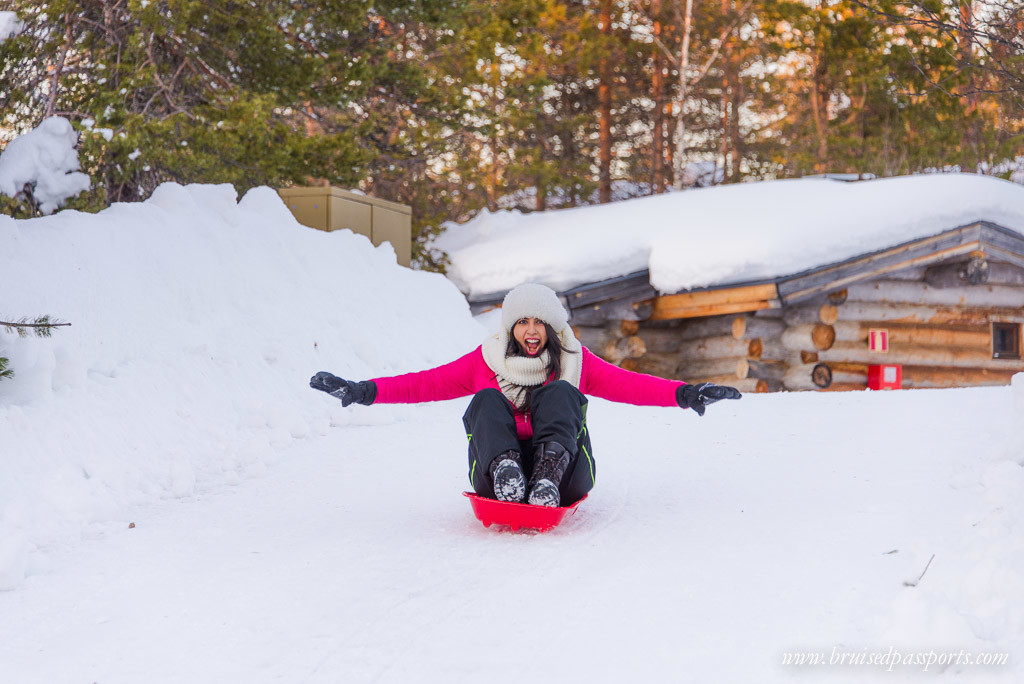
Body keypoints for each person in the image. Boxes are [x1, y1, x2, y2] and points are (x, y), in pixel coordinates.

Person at [310, 283, 741, 507]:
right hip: (495, 482)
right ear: (510, 327)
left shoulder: (575, 360)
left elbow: (631, 384)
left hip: (566, 478)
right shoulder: (486, 359)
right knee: (485, 400)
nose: (531, 330)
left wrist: (686, 394)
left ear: (552, 328)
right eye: (522, 322)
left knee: (559, 395)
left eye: (540, 322)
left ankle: (546, 477)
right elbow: (423, 383)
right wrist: (362, 391)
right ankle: (507, 473)